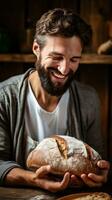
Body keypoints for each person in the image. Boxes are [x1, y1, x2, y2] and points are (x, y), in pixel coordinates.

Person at [0, 8, 110, 192]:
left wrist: (101, 175)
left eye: (74, 59)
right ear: (37, 49)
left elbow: (98, 161)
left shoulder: (88, 99)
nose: (65, 69)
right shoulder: (4, 97)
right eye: (56, 57)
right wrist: (34, 180)